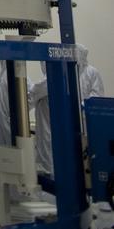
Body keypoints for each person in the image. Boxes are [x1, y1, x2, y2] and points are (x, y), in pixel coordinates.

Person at [29, 44, 105, 176]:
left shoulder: (89, 72)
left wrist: (81, 106)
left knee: (78, 150)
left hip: (80, 121)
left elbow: (97, 95)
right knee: (58, 150)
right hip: (58, 121)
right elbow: (34, 94)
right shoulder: (59, 74)